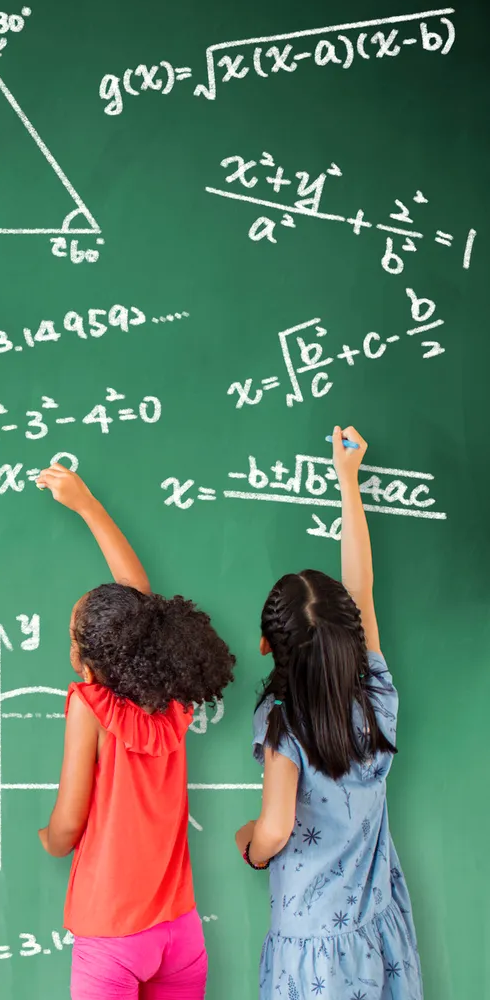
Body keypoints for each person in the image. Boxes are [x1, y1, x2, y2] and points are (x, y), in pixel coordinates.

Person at [36, 464, 236, 999]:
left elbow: (68, 823)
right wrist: (85, 502)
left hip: (113, 938)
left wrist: (50, 841)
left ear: (86, 660)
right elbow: (139, 602)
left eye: (72, 636)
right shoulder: (171, 700)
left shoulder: (90, 707)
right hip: (181, 932)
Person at [235, 426, 421, 1000]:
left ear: (268, 646)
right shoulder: (375, 693)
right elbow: (360, 591)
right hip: (377, 920)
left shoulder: (281, 724)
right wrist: (348, 481)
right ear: (350, 638)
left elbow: (275, 827)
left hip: (311, 943)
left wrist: (248, 843)